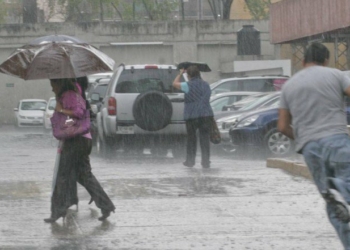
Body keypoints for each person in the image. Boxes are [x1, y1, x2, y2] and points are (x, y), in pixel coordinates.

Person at [278, 42, 350, 249]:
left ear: (303, 61)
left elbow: (282, 126)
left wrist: (303, 138)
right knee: (347, 187)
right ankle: (341, 188)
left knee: (335, 207)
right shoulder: (335, 75)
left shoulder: (289, 85)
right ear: (326, 60)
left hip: (310, 148)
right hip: (336, 140)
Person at [45, 78, 115, 223]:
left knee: (62, 175)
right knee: (84, 175)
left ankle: (58, 210)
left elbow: (78, 113)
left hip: (76, 141)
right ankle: (106, 205)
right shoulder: (71, 93)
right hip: (82, 139)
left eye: (53, 85)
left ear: (60, 83)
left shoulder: (69, 94)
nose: (52, 89)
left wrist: (61, 110)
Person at [173, 65, 214, 168]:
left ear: (189, 75)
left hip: (192, 115)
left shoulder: (187, 85)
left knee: (191, 139)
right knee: (204, 139)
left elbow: (174, 84)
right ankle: (205, 162)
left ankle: (190, 161)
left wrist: (180, 74)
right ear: (199, 74)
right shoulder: (206, 85)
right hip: (206, 114)